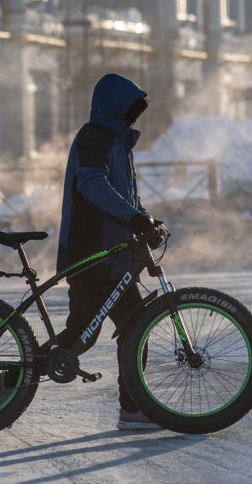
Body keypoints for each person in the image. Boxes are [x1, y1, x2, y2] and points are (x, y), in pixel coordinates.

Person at [50, 73, 161, 430]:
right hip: (92, 255)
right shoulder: (93, 138)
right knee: (79, 338)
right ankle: (11, 379)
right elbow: (93, 184)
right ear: (114, 107)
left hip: (115, 258)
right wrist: (133, 217)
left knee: (134, 330)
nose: (133, 116)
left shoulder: (118, 144)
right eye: (129, 109)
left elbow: (127, 196)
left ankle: (133, 407)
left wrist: (144, 220)